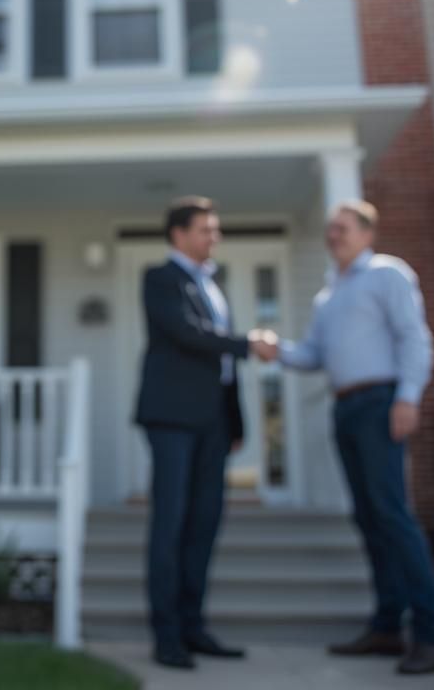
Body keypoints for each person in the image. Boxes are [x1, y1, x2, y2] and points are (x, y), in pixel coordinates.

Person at [274, 199, 434, 676]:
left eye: (343, 228)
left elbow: (414, 337)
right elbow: (313, 355)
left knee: (392, 514)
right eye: (330, 229)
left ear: (367, 234)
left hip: (380, 403)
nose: (334, 236)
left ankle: (429, 633)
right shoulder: (329, 296)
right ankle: (387, 627)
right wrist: (275, 351)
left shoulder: (388, 275)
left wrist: (408, 397)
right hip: (346, 407)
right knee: (368, 518)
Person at [135, 196, 278, 670]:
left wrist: (235, 421)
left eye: (215, 229)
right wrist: (247, 343)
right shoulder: (160, 280)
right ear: (178, 234)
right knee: (170, 525)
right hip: (172, 419)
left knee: (204, 526)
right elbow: (187, 334)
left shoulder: (215, 284)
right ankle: (167, 635)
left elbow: (222, 367)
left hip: (214, 422)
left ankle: (195, 627)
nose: (213, 237)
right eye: (205, 229)